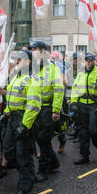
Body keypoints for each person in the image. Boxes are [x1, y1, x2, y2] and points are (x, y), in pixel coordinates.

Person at [0, 50, 42, 194]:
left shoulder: (32, 79)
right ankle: (28, 174)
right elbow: (13, 100)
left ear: (27, 62)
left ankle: (24, 187)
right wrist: (6, 112)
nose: (15, 62)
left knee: (23, 155)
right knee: (8, 151)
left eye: (19, 60)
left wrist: (25, 125)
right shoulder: (16, 78)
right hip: (12, 120)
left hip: (23, 121)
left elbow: (33, 105)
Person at [30, 41, 64, 182]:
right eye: (33, 49)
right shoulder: (34, 69)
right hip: (36, 108)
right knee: (40, 139)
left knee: (43, 139)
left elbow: (58, 89)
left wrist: (55, 110)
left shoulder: (52, 68)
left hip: (47, 108)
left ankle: (43, 170)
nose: (34, 52)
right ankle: (54, 162)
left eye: (36, 49)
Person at [70, 53, 97, 164]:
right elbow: (75, 90)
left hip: (93, 106)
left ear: (94, 61)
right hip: (82, 105)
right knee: (83, 132)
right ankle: (85, 156)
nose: (88, 62)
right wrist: (73, 102)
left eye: (90, 60)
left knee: (94, 131)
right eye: (86, 60)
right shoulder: (80, 74)